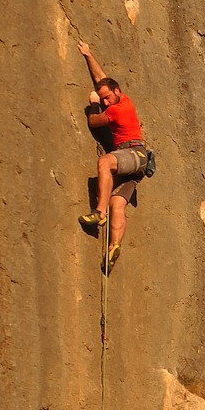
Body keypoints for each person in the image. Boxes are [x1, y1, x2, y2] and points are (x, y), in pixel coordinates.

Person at [77, 41, 148, 272]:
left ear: (117, 92)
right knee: (117, 203)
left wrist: (95, 105)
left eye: (108, 98)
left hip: (132, 153)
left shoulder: (117, 109)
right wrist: (88, 54)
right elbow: (101, 79)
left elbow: (93, 122)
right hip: (137, 163)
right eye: (104, 98)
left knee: (104, 162)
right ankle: (114, 247)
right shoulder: (122, 98)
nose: (106, 101)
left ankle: (99, 213)